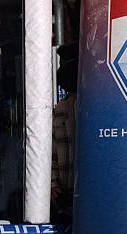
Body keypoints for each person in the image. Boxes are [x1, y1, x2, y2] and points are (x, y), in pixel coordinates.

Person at [51, 43, 78, 224]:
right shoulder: (62, 107)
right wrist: (53, 184)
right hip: (65, 192)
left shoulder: (96, 106)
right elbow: (52, 150)